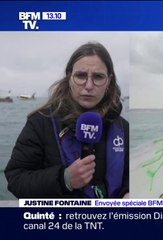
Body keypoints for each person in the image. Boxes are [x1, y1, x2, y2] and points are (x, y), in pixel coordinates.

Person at [4, 42, 129, 198]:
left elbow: (130, 175)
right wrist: (64, 179)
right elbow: (16, 179)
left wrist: (127, 192)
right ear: (69, 77)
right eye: (81, 75)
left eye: (98, 77)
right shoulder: (40, 122)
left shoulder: (123, 128)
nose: (89, 86)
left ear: (109, 80)